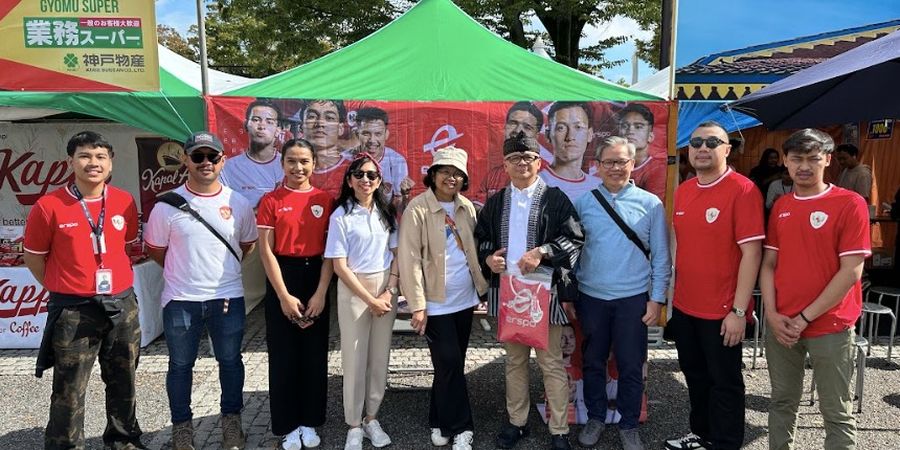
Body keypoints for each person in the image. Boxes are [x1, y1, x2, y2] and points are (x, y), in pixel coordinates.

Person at [24, 131, 144, 450]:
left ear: (110, 163)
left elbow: (126, 245)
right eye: (85, 156)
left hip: (121, 303)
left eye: (100, 156)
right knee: (69, 386)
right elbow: (34, 257)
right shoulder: (48, 206)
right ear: (71, 162)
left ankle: (123, 440)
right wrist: (60, 287)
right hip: (74, 309)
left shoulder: (124, 201)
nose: (93, 163)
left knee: (124, 380)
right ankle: (65, 445)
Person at [144, 131, 259, 450]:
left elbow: (246, 245)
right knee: (180, 365)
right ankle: (182, 429)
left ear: (222, 160)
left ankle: (232, 424)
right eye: (198, 156)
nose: (205, 162)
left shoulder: (238, 203)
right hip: (181, 300)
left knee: (231, 361)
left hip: (227, 297)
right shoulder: (166, 205)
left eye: (212, 156)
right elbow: (156, 251)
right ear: (185, 160)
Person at [760, 128, 871, 450]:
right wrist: (772, 313)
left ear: (828, 159)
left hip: (830, 324)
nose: (804, 166)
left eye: (813, 159)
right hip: (781, 324)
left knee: (835, 410)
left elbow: (851, 271)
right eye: (797, 159)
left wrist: (804, 318)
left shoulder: (849, 203)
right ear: (786, 161)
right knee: (781, 401)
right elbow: (769, 264)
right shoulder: (781, 206)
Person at [475, 133, 584, 450]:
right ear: (505, 165)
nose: (522, 163)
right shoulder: (496, 203)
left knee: (550, 363)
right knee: (514, 362)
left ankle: (559, 429)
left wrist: (543, 252)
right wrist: (489, 258)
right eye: (514, 158)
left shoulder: (556, 199)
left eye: (528, 158)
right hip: (508, 293)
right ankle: (516, 422)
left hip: (544, 294)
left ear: (539, 162)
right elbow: (481, 237)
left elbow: (575, 238)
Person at [665, 121, 764, 450]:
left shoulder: (743, 189)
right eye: (696, 143)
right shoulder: (684, 189)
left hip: (722, 311)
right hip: (685, 306)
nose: (703, 148)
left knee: (725, 383)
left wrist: (739, 310)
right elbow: (679, 247)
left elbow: (752, 254)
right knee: (694, 375)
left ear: (727, 149)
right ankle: (701, 433)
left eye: (712, 142)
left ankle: (724, 442)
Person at [574, 136, 671, 450]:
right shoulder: (583, 203)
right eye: (609, 162)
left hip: (633, 299)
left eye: (622, 161)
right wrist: (569, 295)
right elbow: (573, 253)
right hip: (591, 297)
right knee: (592, 361)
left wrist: (657, 299)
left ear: (634, 163)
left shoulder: (650, 204)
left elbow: (661, 255)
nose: (616, 168)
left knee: (631, 364)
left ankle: (629, 424)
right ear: (598, 166)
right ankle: (596, 417)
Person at [397, 146, 488, 450]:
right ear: (432, 175)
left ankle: (438, 418)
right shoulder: (417, 208)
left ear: (464, 179)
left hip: (464, 298)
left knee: (450, 365)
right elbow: (408, 259)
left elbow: (473, 251)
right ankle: (462, 426)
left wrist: (481, 289)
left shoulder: (466, 208)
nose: (451, 177)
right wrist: (418, 304)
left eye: (457, 173)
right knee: (448, 360)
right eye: (445, 171)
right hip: (435, 301)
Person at [256, 139, 335, 450]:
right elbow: (265, 250)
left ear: (314, 163)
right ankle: (288, 425)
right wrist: (283, 296)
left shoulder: (325, 199)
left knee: (314, 356)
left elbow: (331, 252)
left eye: (304, 161)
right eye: (291, 161)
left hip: (317, 273)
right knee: (284, 356)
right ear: (282, 163)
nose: (298, 167)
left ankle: (310, 421)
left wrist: (320, 293)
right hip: (282, 275)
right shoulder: (271, 200)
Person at [325, 153, 399, 450]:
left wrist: (389, 292)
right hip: (355, 291)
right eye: (359, 174)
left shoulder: (386, 213)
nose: (365, 180)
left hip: (384, 290)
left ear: (379, 181)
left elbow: (395, 255)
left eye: (371, 175)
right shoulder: (340, 215)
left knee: (379, 357)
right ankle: (354, 424)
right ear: (349, 180)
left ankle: (371, 417)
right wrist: (370, 298)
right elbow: (339, 266)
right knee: (354, 359)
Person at [478, 101, 547, 204]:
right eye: (513, 123)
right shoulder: (493, 175)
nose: (518, 130)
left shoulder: (547, 175)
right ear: (505, 127)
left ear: (537, 135)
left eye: (527, 127)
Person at [220, 98, 285, 206]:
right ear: (246, 124)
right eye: (256, 120)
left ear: (278, 130)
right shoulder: (228, 168)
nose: (262, 126)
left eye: (269, 122)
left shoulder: (288, 166)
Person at [349, 107, 412, 207]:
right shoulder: (346, 160)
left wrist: (405, 196)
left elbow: (398, 206)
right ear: (357, 134)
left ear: (386, 135)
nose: (372, 140)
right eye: (366, 134)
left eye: (378, 134)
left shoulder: (397, 161)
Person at [539, 102, 596, 201]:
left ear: (590, 134)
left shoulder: (599, 187)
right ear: (548, 135)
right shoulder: (535, 185)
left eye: (578, 127)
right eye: (561, 128)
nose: (570, 137)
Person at [616, 103, 666, 200]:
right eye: (625, 126)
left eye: (638, 126)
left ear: (651, 136)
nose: (630, 131)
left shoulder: (657, 169)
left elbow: (653, 208)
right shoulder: (607, 164)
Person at [305, 99, 351, 198]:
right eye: (312, 116)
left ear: (341, 128)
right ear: (302, 126)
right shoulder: (292, 171)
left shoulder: (352, 171)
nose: (320, 123)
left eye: (329, 118)